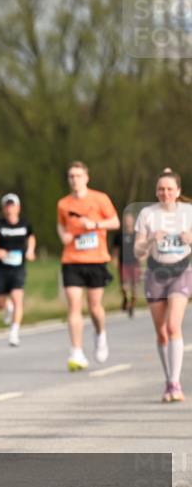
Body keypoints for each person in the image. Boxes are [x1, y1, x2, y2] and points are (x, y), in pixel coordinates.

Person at [133, 169, 192, 402]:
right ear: (156, 192)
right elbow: (137, 251)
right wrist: (149, 239)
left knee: (172, 326)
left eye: (169, 189)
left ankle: (176, 384)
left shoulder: (189, 213)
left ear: (178, 191)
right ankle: (169, 380)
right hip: (156, 274)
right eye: (161, 189)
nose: (165, 193)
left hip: (182, 271)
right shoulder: (148, 214)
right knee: (161, 332)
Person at [56, 161, 120, 371]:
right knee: (74, 306)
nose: (74, 180)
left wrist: (95, 225)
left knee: (94, 307)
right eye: (71, 176)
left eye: (78, 176)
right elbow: (61, 224)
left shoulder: (99, 199)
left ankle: (100, 334)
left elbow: (115, 222)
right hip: (72, 260)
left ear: (86, 178)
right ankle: (77, 351)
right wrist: (63, 235)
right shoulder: (63, 204)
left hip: (96, 259)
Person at [0, 193, 36, 347]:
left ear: (18, 208)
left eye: (12, 205)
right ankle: (7, 308)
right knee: (0, 303)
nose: (10, 209)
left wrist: (30, 250)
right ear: (3, 208)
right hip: (1, 268)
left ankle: (14, 332)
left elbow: (31, 237)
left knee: (17, 297)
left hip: (18, 268)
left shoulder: (25, 224)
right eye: (7, 206)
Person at [114, 210, 141, 318]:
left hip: (134, 263)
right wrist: (114, 259)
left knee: (134, 287)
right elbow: (115, 249)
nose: (127, 222)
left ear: (133, 221)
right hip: (123, 263)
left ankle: (132, 305)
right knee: (124, 287)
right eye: (126, 220)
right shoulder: (119, 235)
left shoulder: (137, 235)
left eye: (129, 220)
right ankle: (125, 299)